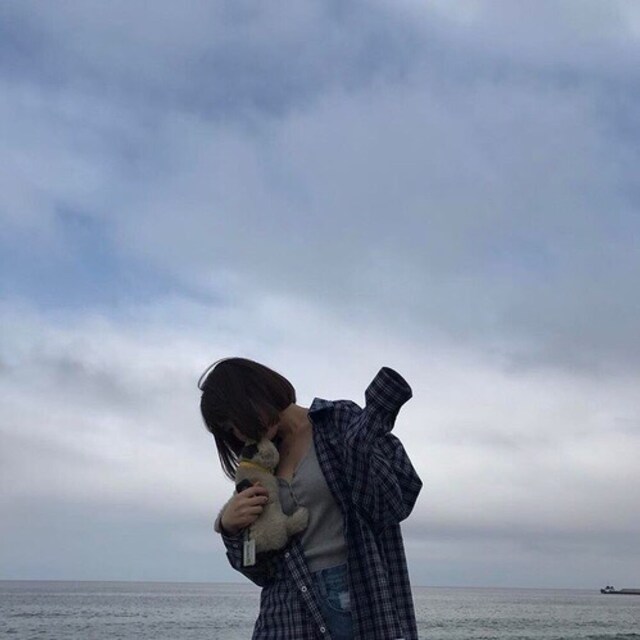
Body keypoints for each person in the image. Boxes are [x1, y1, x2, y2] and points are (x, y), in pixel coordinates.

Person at [198, 357, 423, 640]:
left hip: (354, 598)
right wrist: (231, 529)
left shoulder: (338, 421)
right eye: (229, 430)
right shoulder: (260, 463)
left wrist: (360, 443)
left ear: (253, 394)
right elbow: (262, 573)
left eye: (235, 421)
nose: (240, 434)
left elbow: (395, 501)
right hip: (283, 612)